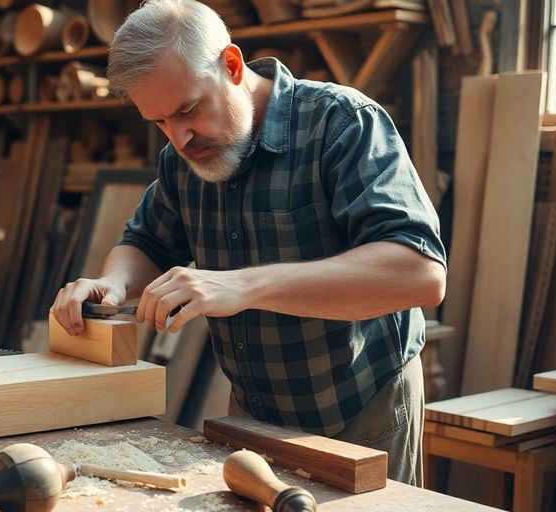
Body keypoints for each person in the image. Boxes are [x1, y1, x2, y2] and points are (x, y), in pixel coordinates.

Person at [49, 0, 446, 486]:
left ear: (232, 66)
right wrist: (111, 283)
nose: (179, 138)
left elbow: (419, 274)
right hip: (253, 412)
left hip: (362, 405)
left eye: (188, 109)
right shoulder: (182, 158)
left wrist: (245, 286)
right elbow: (146, 243)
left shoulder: (342, 124)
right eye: (159, 123)